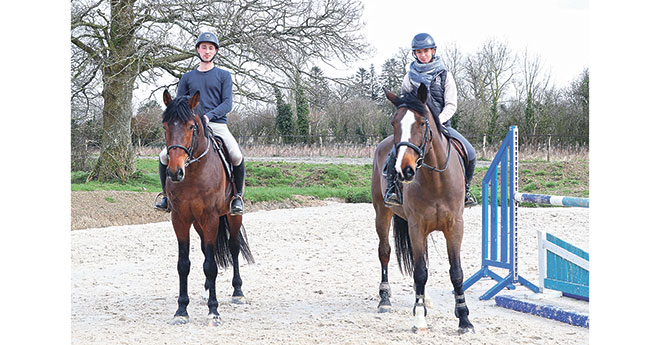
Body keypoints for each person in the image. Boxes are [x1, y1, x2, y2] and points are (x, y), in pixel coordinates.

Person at [155, 32, 246, 215]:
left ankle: (237, 198)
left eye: (210, 48)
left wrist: (209, 116)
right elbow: (180, 103)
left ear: (215, 52)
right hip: (191, 126)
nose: (207, 51)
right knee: (164, 156)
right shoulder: (187, 77)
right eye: (204, 47)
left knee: (236, 156)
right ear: (198, 49)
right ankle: (166, 196)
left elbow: (227, 103)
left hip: (217, 124)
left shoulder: (223, 75)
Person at [383, 33, 477, 207]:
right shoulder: (409, 77)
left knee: (470, 153)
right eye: (419, 52)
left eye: (426, 51)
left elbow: (451, 105)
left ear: (433, 51)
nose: (423, 55)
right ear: (415, 54)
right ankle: (392, 190)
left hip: (442, 125)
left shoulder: (445, 76)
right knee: (394, 154)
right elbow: (405, 105)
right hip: (417, 127)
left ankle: (466, 191)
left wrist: (437, 121)